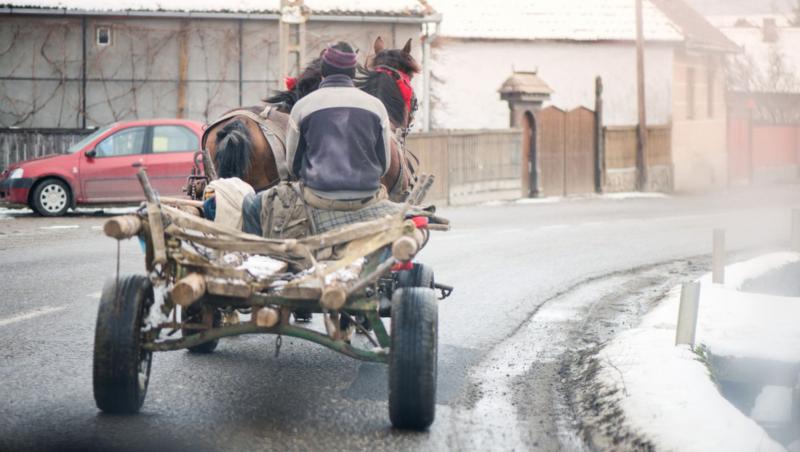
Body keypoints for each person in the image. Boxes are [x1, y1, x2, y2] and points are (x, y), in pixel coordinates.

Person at [285, 41, 393, 209]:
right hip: (368, 197)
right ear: (353, 73)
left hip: (318, 198)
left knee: (253, 206)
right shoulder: (376, 106)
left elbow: (292, 165)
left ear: (323, 71)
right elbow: (384, 164)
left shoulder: (302, 106)